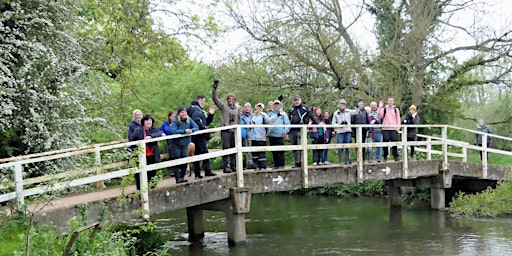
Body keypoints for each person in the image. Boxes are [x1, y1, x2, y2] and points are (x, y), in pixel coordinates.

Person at [129, 114, 165, 190]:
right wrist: (135, 150)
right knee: (140, 173)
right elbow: (131, 140)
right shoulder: (138, 130)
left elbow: (160, 133)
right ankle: (140, 189)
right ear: (143, 122)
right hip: (141, 155)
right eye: (147, 120)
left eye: (150, 120)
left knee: (152, 172)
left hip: (152, 154)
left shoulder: (154, 129)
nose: (149, 122)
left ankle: (152, 188)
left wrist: (151, 136)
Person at [212, 80, 240, 173]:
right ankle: (225, 167)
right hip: (226, 130)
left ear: (234, 100)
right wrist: (214, 89)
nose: (231, 100)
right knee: (226, 148)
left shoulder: (237, 109)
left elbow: (239, 119)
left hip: (234, 131)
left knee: (234, 149)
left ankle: (233, 166)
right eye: (229, 98)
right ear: (227, 99)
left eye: (232, 98)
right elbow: (215, 99)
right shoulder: (223, 106)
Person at [189, 95, 217, 179]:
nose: (203, 102)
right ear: (198, 100)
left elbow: (206, 122)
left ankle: (197, 174)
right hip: (199, 136)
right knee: (204, 152)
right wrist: (204, 128)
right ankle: (207, 171)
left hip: (197, 136)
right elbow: (196, 120)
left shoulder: (200, 110)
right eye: (202, 100)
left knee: (198, 154)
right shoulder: (196, 109)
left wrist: (211, 115)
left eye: (204, 101)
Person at [170, 106, 199, 183]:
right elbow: (173, 130)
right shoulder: (175, 120)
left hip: (185, 144)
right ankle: (178, 178)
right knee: (176, 160)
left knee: (185, 159)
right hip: (175, 144)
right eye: (182, 112)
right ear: (179, 113)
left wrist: (191, 130)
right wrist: (184, 131)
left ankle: (182, 177)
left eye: (185, 112)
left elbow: (196, 127)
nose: (184, 114)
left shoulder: (189, 119)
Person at [288, 95, 319, 167]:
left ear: (300, 100)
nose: (296, 101)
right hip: (292, 130)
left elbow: (311, 115)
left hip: (300, 130)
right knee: (294, 147)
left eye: (298, 100)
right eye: (295, 100)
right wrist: (287, 131)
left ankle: (302, 162)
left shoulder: (305, 108)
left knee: (301, 146)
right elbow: (289, 119)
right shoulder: (292, 109)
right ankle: (297, 162)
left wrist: (317, 122)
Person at [267, 100, 290, 169]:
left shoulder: (283, 114)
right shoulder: (270, 114)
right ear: (273, 105)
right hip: (271, 134)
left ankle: (281, 165)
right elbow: (268, 121)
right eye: (275, 105)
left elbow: (287, 124)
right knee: (274, 151)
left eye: (278, 105)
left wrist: (285, 132)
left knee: (280, 151)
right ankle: (276, 164)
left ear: (280, 106)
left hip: (280, 135)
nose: (276, 106)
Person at [247, 103, 269, 170]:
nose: (259, 109)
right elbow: (249, 125)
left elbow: (268, 123)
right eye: (258, 107)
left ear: (262, 108)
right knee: (254, 153)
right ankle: (256, 166)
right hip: (253, 136)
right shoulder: (253, 115)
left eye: (260, 107)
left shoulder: (264, 115)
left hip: (261, 136)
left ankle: (263, 166)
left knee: (261, 152)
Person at [332, 99, 353, 165]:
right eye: (341, 104)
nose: (342, 105)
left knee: (348, 146)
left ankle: (347, 160)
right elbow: (333, 123)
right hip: (340, 131)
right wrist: (339, 125)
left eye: (343, 104)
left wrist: (357, 106)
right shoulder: (336, 113)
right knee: (340, 146)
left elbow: (356, 112)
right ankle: (340, 161)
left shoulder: (348, 111)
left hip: (347, 130)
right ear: (339, 105)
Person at [159, 110, 176, 176]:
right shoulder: (165, 123)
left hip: (177, 141)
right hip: (169, 141)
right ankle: (173, 170)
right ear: (169, 117)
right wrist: (162, 133)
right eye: (172, 116)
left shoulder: (178, 123)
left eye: (175, 116)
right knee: (171, 154)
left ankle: (179, 169)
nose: (173, 118)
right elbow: (160, 129)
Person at [240, 102, 254, 169]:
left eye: (248, 107)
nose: (247, 108)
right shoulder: (242, 117)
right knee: (248, 150)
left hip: (255, 135)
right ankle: (249, 163)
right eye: (246, 107)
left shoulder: (254, 115)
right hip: (247, 134)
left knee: (255, 149)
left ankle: (255, 163)